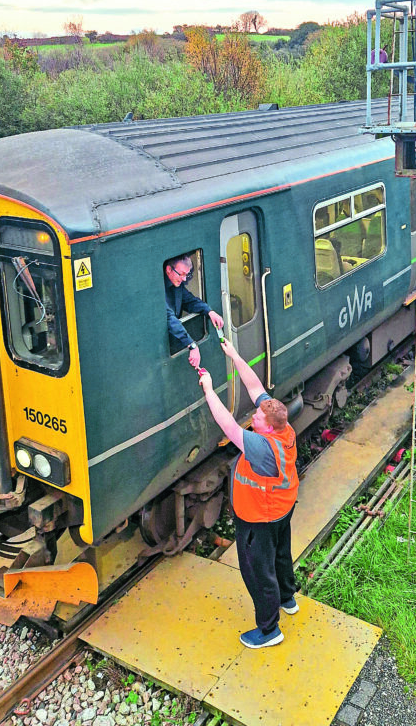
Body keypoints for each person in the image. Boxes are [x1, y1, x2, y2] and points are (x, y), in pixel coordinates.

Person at [198, 338, 299, 649]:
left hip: (259, 518)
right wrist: (234, 356)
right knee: (281, 555)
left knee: (258, 572)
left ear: (267, 427)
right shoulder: (281, 427)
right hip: (281, 510)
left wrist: (208, 389)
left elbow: (227, 425)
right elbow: (256, 389)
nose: (252, 417)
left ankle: (269, 630)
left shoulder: (262, 447)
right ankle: (288, 598)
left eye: (256, 419)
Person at [164, 254, 225, 369]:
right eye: (181, 274)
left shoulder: (178, 286)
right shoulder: (159, 288)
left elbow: (190, 301)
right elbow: (168, 317)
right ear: (168, 270)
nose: (184, 279)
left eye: (187, 275)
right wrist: (192, 345)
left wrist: (209, 311)